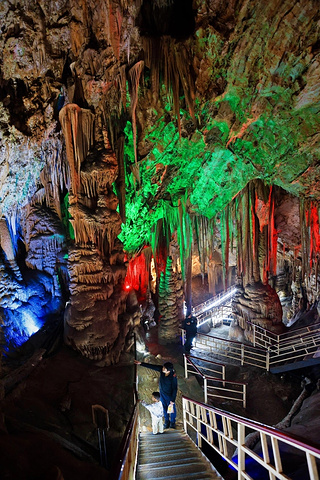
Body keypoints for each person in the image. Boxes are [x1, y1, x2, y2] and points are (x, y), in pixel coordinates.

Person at [135, 360, 177, 429]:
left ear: (168, 370)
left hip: (169, 396)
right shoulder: (162, 371)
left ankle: (172, 423)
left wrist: (173, 399)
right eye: (163, 367)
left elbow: (174, 388)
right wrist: (141, 363)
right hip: (162, 394)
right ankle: (167, 422)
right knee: (164, 408)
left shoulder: (173, 377)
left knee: (171, 409)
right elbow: (153, 366)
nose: (162, 368)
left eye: (164, 368)